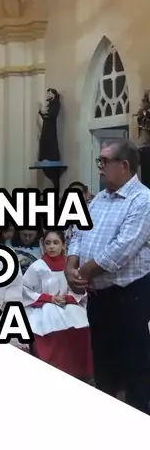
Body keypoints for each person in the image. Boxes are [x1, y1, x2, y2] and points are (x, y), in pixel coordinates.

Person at [66, 139, 150, 414]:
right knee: (103, 361)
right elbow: (78, 233)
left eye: (104, 161)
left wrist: (82, 273)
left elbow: (122, 248)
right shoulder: (99, 199)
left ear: (124, 165)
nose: (99, 167)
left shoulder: (143, 200)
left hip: (129, 295)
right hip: (98, 296)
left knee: (133, 364)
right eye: (99, 160)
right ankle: (107, 416)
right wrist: (70, 266)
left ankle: (137, 421)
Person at [23, 230, 92, 378]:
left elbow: (81, 288)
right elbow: (24, 289)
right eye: (48, 243)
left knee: (83, 325)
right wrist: (48, 298)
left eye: (56, 243)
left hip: (69, 304)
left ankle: (80, 371)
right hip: (44, 306)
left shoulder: (71, 267)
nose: (51, 247)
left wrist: (68, 298)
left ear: (63, 245)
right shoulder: (38, 266)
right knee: (47, 325)